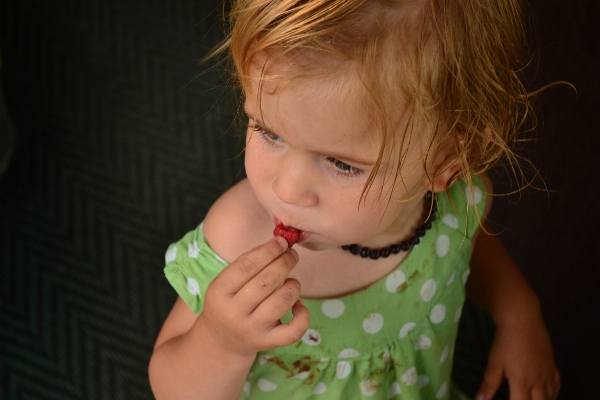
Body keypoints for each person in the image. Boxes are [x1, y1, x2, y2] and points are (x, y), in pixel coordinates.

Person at [148, 0, 561, 399]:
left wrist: (519, 314)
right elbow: (171, 387)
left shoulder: (454, 207)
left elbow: (468, 243)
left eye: (342, 164)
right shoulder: (236, 238)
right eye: (269, 132)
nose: (287, 190)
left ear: (445, 163)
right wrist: (221, 342)